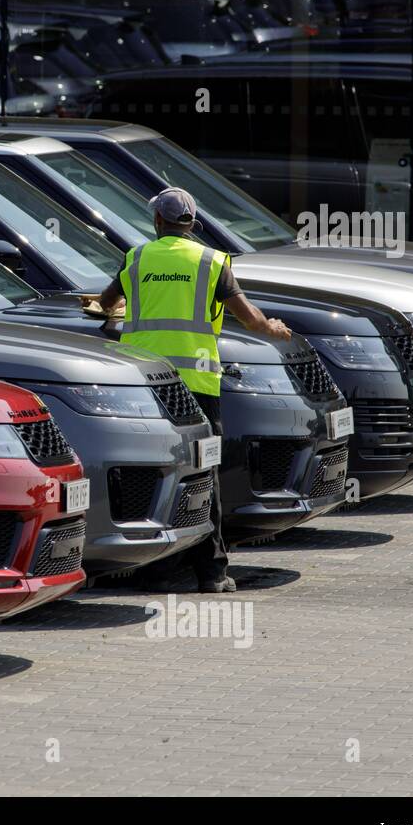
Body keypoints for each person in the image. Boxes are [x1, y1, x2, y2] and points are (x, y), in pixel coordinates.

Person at [91, 187, 292, 593]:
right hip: (198, 385)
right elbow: (250, 319)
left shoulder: (137, 258)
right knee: (204, 474)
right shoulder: (212, 261)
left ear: (158, 222)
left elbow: (104, 304)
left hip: (146, 385)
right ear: (193, 224)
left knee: (155, 471)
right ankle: (212, 573)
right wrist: (274, 328)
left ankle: (154, 568)